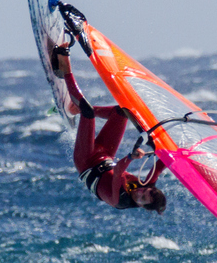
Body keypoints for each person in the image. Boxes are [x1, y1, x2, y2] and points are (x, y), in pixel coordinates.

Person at [51, 46, 167, 213]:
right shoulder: (146, 186)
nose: (139, 192)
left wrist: (131, 157)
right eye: (144, 191)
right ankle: (73, 108)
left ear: (141, 206)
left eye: (141, 198)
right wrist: (179, 153)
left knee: (88, 112)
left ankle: (65, 67)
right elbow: (159, 167)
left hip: (86, 162)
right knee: (121, 112)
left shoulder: (120, 200)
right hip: (105, 156)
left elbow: (119, 169)